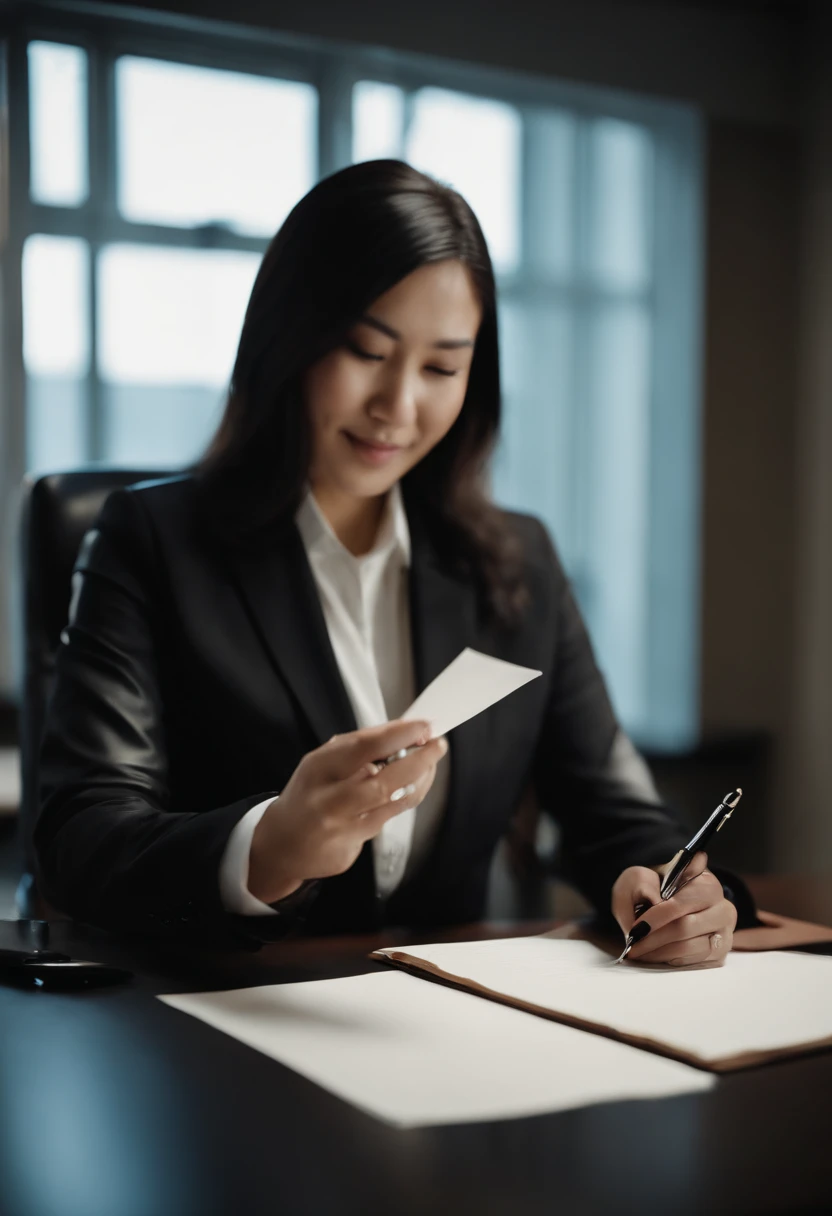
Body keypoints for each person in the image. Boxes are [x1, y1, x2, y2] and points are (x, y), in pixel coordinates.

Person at [35, 159, 741, 964]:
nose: (399, 407)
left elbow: (615, 812)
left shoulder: (519, 562)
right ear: (288, 340)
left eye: (442, 367)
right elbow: (82, 834)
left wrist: (665, 886)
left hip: (445, 1028)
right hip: (216, 1022)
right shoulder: (151, 540)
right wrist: (266, 849)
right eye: (366, 351)